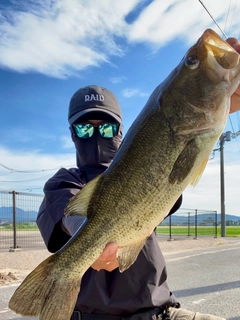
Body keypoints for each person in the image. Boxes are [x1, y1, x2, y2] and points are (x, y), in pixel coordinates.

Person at [37, 38, 240, 320]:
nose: (96, 134)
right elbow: (70, 216)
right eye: (84, 128)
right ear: (73, 134)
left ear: (121, 130)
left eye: (106, 126)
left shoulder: (144, 160)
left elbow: (168, 177)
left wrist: (219, 99)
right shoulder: (62, 182)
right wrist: (90, 240)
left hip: (161, 312)